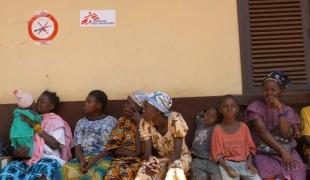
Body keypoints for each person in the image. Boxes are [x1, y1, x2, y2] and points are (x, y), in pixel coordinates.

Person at [245, 71, 306, 179]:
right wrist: (281, 150)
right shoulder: (256, 107)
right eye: (265, 90)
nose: (269, 92)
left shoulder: (288, 111)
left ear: (281, 91)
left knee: (297, 174)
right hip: (264, 152)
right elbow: (261, 131)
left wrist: (280, 110)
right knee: (271, 175)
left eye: (273, 90)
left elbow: (286, 133)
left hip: (288, 151)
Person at [0, 90, 73, 180]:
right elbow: (15, 146)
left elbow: (55, 145)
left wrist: (34, 126)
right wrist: (17, 152)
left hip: (48, 159)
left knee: (46, 172)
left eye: (42, 101)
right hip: (29, 160)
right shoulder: (28, 118)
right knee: (8, 170)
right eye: (37, 101)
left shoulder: (55, 121)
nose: (38, 103)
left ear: (51, 106)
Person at [60, 90, 117, 179]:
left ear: (99, 105)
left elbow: (112, 147)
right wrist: (82, 160)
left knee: (96, 175)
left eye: (89, 102)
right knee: (61, 173)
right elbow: (77, 147)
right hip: (83, 158)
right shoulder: (81, 122)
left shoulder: (112, 121)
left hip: (103, 157)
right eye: (85, 101)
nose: (85, 104)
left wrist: (94, 159)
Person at [135, 91, 191, 180]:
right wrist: (151, 162)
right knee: (144, 174)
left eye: (146, 107)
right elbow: (147, 153)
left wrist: (158, 161)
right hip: (160, 159)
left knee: (174, 172)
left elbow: (177, 154)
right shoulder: (144, 122)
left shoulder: (175, 119)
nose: (143, 110)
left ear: (158, 110)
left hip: (180, 157)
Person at [211, 95, 261, 180]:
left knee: (257, 179)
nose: (229, 109)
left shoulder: (243, 127)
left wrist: (250, 163)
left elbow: (251, 148)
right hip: (227, 163)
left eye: (232, 106)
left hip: (244, 163)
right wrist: (227, 168)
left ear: (237, 109)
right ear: (220, 110)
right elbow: (216, 154)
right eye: (225, 106)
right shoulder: (217, 129)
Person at [104, 90, 148, 180]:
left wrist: (138, 124)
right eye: (126, 103)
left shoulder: (146, 123)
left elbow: (140, 152)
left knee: (127, 175)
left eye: (128, 104)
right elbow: (112, 147)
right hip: (119, 160)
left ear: (139, 108)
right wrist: (133, 153)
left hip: (137, 162)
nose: (125, 106)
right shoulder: (122, 121)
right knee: (110, 176)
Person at [191, 107, 221, 180]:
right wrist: (203, 112)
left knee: (217, 176)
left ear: (217, 120)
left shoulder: (215, 128)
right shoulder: (200, 123)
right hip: (196, 158)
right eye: (207, 114)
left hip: (211, 160)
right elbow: (197, 116)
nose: (209, 118)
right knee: (198, 176)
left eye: (213, 117)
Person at [10, 90, 41, 157]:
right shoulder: (31, 114)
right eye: (34, 102)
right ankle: (30, 158)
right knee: (28, 149)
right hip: (25, 135)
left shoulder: (16, 112)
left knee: (18, 148)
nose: (36, 104)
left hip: (13, 135)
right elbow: (39, 120)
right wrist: (39, 118)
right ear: (30, 105)